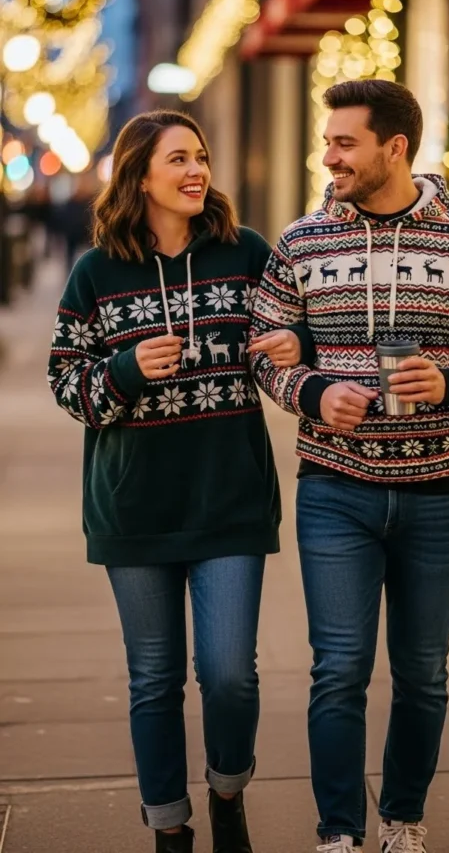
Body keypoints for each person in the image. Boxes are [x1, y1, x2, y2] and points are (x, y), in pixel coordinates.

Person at [249, 79, 449, 853]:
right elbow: (265, 350)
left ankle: (402, 820)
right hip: (334, 491)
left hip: (440, 492)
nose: (329, 155)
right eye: (328, 141)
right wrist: (311, 390)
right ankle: (338, 833)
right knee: (337, 671)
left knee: (423, 673)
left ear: (395, 147)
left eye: (344, 142)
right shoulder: (303, 242)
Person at [48, 110, 311, 853]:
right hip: (134, 507)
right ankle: (169, 826)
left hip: (229, 495)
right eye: (178, 160)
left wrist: (302, 341)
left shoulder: (244, 253)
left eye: (200, 156)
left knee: (229, 675)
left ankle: (228, 789)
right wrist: (125, 371)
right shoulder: (96, 271)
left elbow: (296, 334)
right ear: (139, 176)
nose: (197, 170)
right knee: (155, 679)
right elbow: (68, 385)